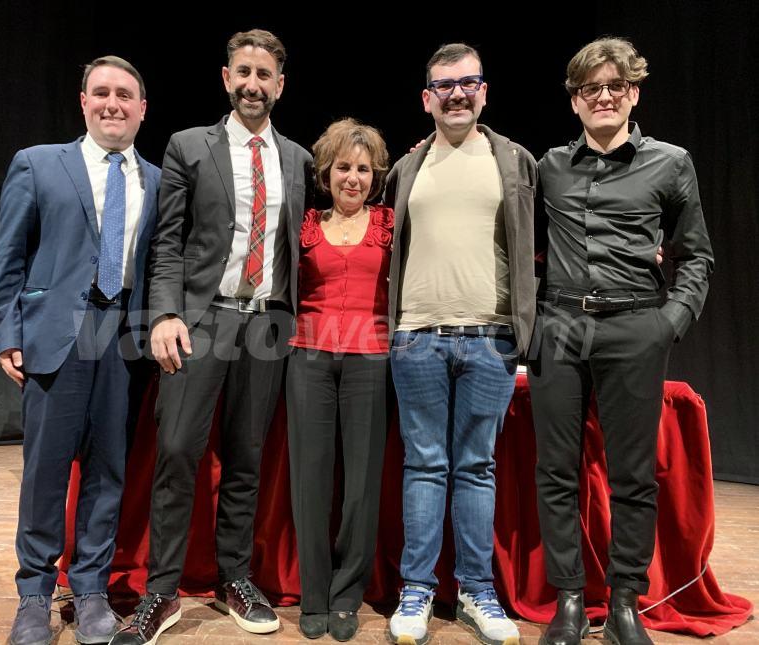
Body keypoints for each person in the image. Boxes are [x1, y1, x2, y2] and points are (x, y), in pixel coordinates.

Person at [109, 29, 313, 645]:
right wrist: (166, 314)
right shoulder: (187, 146)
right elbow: (167, 241)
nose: (253, 84)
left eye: (265, 74)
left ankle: (235, 578)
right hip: (201, 321)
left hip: (267, 325)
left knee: (247, 458)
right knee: (177, 453)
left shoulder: (299, 159)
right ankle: (161, 592)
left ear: (280, 84)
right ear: (226, 78)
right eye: (243, 72)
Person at [529, 36, 714, 645]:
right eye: (590, 89)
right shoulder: (550, 166)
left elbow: (695, 257)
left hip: (635, 326)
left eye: (614, 86)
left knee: (632, 476)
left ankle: (627, 602)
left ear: (633, 93)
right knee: (556, 471)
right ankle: (571, 602)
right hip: (559, 328)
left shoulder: (671, 162)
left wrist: (669, 323)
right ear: (575, 101)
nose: (602, 96)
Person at [0, 56, 159, 645]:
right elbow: (9, 255)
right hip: (54, 337)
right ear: (83, 101)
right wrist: (7, 331)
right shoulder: (38, 164)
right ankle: (33, 595)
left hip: (121, 341)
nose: (113, 103)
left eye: (125, 95)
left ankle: (89, 588)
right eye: (102, 93)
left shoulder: (156, 180)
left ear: (142, 109)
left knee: (108, 471)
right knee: (45, 473)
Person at [383, 43, 537, 645]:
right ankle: (416, 591)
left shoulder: (515, 160)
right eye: (444, 85)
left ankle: (477, 591)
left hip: (491, 339)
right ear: (427, 98)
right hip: (416, 337)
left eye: (467, 82)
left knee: (476, 468)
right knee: (424, 465)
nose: (456, 93)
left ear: (484, 91)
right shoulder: (406, 168)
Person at [286, 119, 392, 641]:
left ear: (376, 175)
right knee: (310, 481)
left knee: (361, 485)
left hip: (370, 359)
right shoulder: (304, 225)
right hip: (308, 358)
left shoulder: (390, 225)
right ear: (325, 174)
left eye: (363, 169)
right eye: (343, 168)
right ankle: (313, 594)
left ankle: (347, 595)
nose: (353, 178)